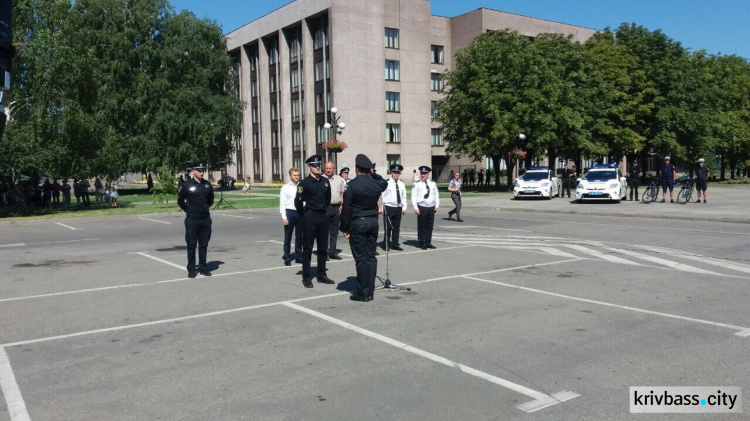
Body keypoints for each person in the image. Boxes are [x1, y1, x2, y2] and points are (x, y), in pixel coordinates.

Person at [341, 154, 388, 302]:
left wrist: (345, 228)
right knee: (371, 258)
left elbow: (347, 209)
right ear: (369, 170)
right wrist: (373, 174)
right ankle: (370, 291)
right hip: (373, 223)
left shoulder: (352, 185)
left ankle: (363, 292)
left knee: (361, 259)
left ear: (356, 169)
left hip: (358, 223)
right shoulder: (376, 184)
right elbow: (384, 183)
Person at [295, 155, 334, 288]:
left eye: (318, 165)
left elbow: (328, 199)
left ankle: (321, 274)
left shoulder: (325, 181)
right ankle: (306, 277)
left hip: (323, 216)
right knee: (308, 248)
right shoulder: (304, 183)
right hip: (309, 216)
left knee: (323, 248)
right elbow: (298, 202)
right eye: (314, 166)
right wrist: (305, 214)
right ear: (309, 167)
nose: (317, 167)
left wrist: (323, 211)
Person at [177, 161, 215, 278]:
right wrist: (188, 210)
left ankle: (203, 267)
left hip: (205, 219)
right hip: (192, 219)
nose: (201, 172)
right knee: (191, 245)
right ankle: (192, 269)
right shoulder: (187, 185)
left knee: (203, 244)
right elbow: (180, 201)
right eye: (199, 170)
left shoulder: (207, 185)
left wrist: (203, 209)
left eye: (203, 170)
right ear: (193, 171)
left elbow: (210, 201)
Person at [323, 161, 347, 260]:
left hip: (336, 208)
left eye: (330, 168)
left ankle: (332, 252)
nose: (328, 170)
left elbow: (342, 193)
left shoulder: (339, 179)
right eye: (327, 168)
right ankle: (323, 253)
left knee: (334, 231)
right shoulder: (321, 179)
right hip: (325, 208)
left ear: (333, 169)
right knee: (324, 232)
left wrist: (342, 205)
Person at [380, 164, 407, 251]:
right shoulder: (386, 183)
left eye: (398, 173)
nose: (396, 174)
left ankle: (395, 244)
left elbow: (404, 196)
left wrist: (404, 207)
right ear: (391, 172)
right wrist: (381, 207)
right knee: (388, 227)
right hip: (388, 207)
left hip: (398, 207)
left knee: (396, 227)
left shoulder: (401, 183)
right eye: (394, 172)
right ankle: (386, 243)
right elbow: (382, 196)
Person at [411, 165, 439, 249]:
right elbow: (413, 197)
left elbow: (436, 195)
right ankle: (421, 242)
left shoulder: (433, 183)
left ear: (428, 174)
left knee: (429, 226)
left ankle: (428, 242)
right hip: (422, 207)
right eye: (422, 173)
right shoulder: (417, 184)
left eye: (425, 173)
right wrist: (416, 208)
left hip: (431, 207)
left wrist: (436, 205)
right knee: (422, 226)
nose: (423, 175)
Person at [280, 167, 303, 266]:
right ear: (290, 176)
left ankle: (298, 256)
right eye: (295, 175)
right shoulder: (285, 187)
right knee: (288, 237)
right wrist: (284, 217)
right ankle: (287, 257)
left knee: (299, 237)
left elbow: (304, 199)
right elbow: (282, 203)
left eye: (298, 175)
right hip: (289, 212)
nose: (297, 177)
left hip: (300, 212)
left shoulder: (301, 186)